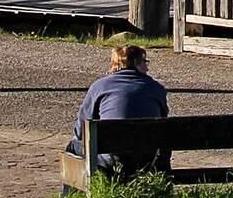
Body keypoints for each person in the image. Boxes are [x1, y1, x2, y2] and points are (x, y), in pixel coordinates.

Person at [64, 44, 168, 186]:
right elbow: (163, 124)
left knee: (73, 147)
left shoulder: (99, 87)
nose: (147, 68)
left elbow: (81, 130)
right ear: (136, 63)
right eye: (145, 62)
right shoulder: (157, 88)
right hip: (146, 158)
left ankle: (70, 196)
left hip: (110, 160)